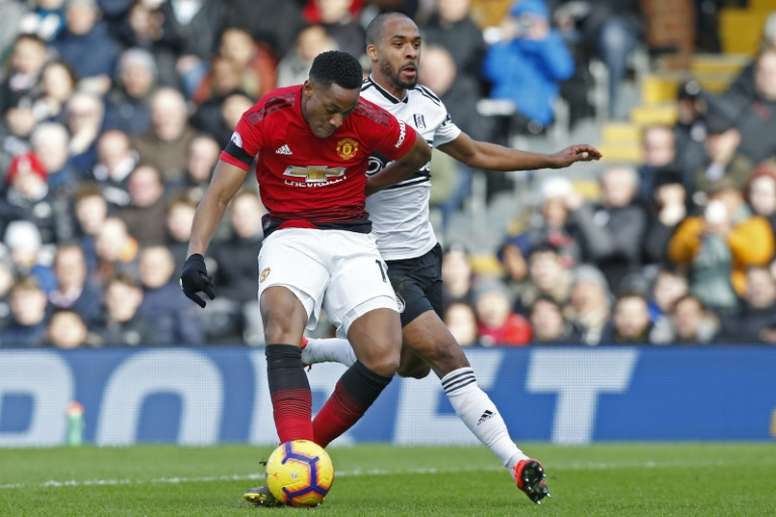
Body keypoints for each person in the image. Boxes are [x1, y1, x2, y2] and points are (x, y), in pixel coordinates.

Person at [298, 12, 600, 505]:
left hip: (423, 257)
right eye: (399, 44)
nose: (412, 52)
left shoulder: (427, 105)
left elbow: (477, 154)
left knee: (409, 365)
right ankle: (516, 459)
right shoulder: (350, 109)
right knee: (445, 353)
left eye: (417, 43)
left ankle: (313, 350)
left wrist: (551, 158)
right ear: (373, 53)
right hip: (372, 260)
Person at [177, 50, 431, 506]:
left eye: (346, 112)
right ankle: (296, 461)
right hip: (290, 235)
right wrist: (195, 254)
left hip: (353, 238)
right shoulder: (266, 116)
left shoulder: (368, 118)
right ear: (307, 90)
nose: (338, 121)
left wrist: (373, 184)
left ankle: (294, 460)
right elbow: (218, 194)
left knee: (383, 358)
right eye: (331, 109)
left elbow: (419, 153)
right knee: (280, 321)